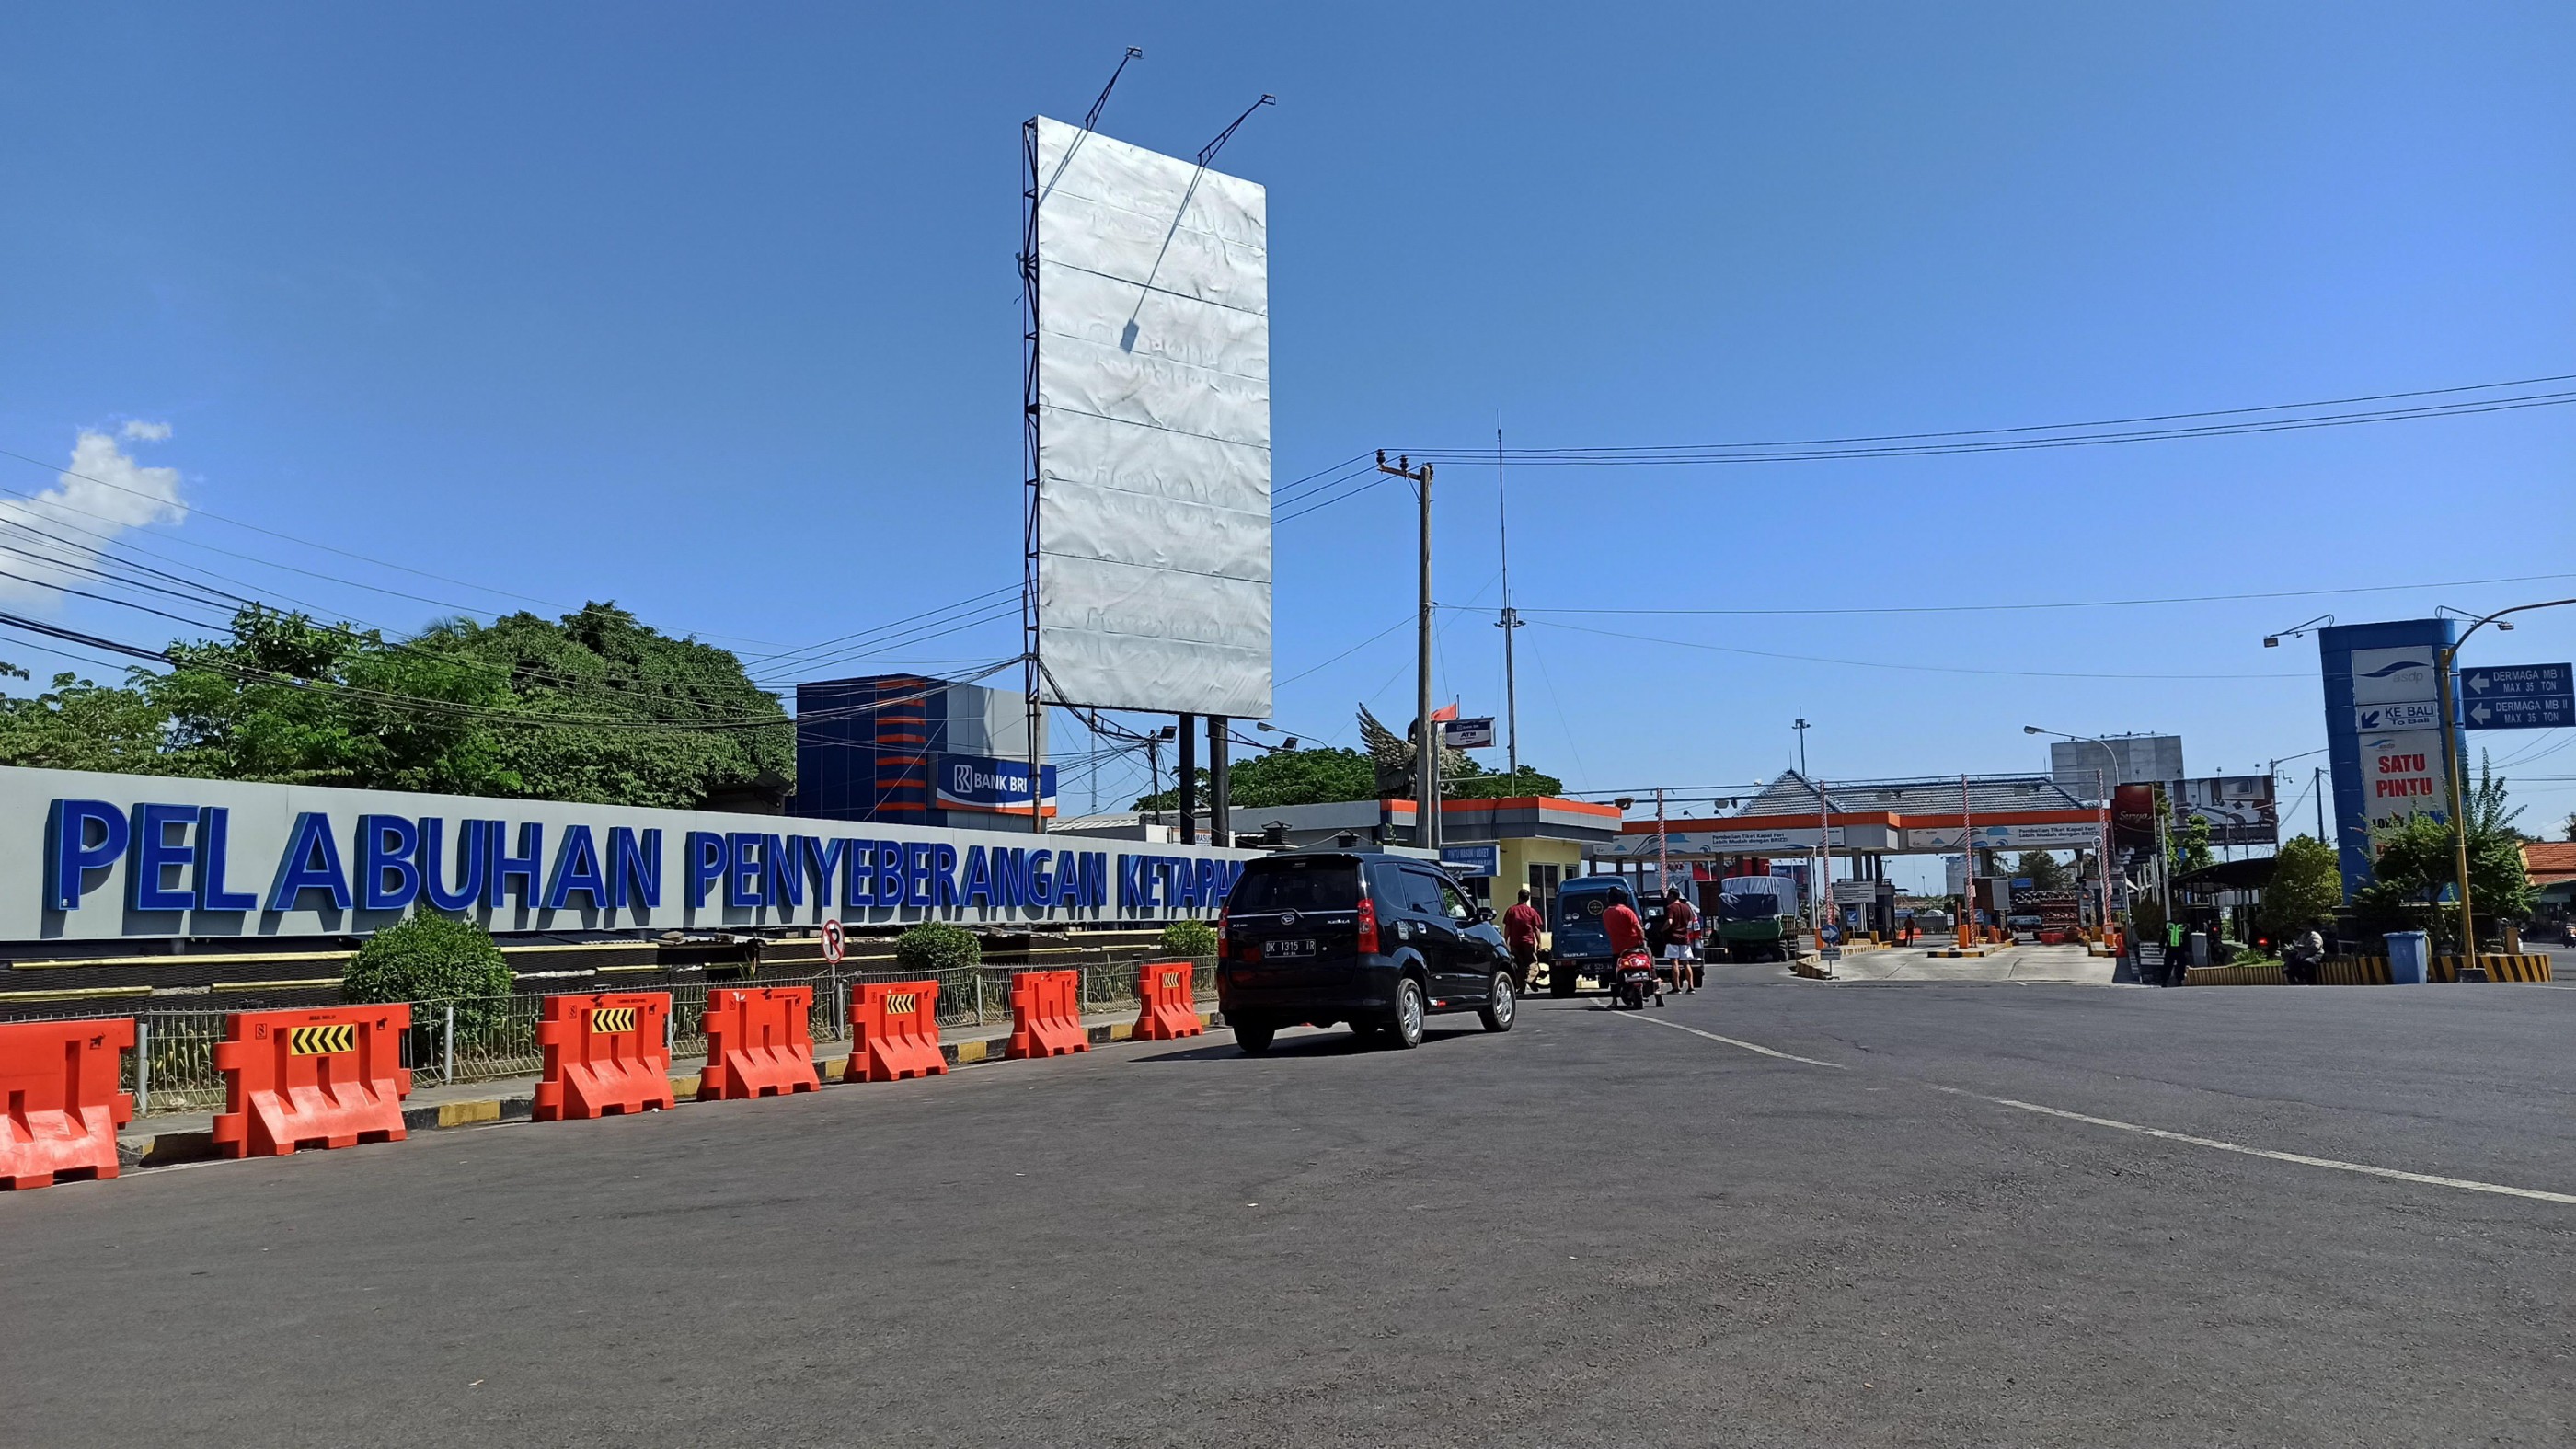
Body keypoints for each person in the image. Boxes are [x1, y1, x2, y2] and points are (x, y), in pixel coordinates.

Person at [1602, 894, 1658, 1006]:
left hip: (1618, 949)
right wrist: (1642, 939)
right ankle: (1656, 988)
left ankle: (1614, 1000)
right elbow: (1638, 928)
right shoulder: (1627, 911)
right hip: (1635, 945)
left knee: (1614, 973)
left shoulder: (1605, 914)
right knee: (1650, 963)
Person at [1501, 887, 1545, 992]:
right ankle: (1531, 978)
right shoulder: (1531, 911)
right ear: (1528, 899)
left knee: (1519, 965)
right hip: (1528, 942)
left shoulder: (1511, 910)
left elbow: (1508, 927)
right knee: (1532, 962)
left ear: (1518, 897)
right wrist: (1539, 942)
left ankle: (1521, 987)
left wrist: (1505, 940)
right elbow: (1536, 929)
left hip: (1515, 943)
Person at [1662, 887, 1700, 992]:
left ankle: (1676, 987)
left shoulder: (1671, 907)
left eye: (1669, 896)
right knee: (1686, 963)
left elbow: (1669, 922)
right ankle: (1691, 987)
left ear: (1672, 896)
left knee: (1674, 962)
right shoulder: (1686, 908)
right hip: (1685, 938)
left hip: (1673, 938)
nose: (1667, 898)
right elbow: (1691, 920)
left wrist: (1662, 930)